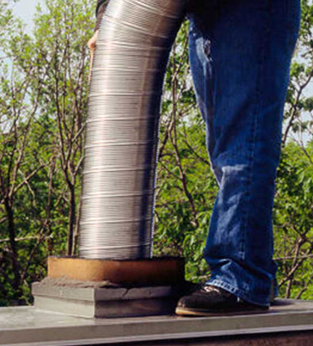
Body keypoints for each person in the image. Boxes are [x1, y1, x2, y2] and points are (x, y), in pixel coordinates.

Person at [88, 0, 301, 316]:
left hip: (252, 9)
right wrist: (108, 19)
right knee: (224, 148)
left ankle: (241, 278)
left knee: (243, 143)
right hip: (207, 13)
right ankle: (250, 274)